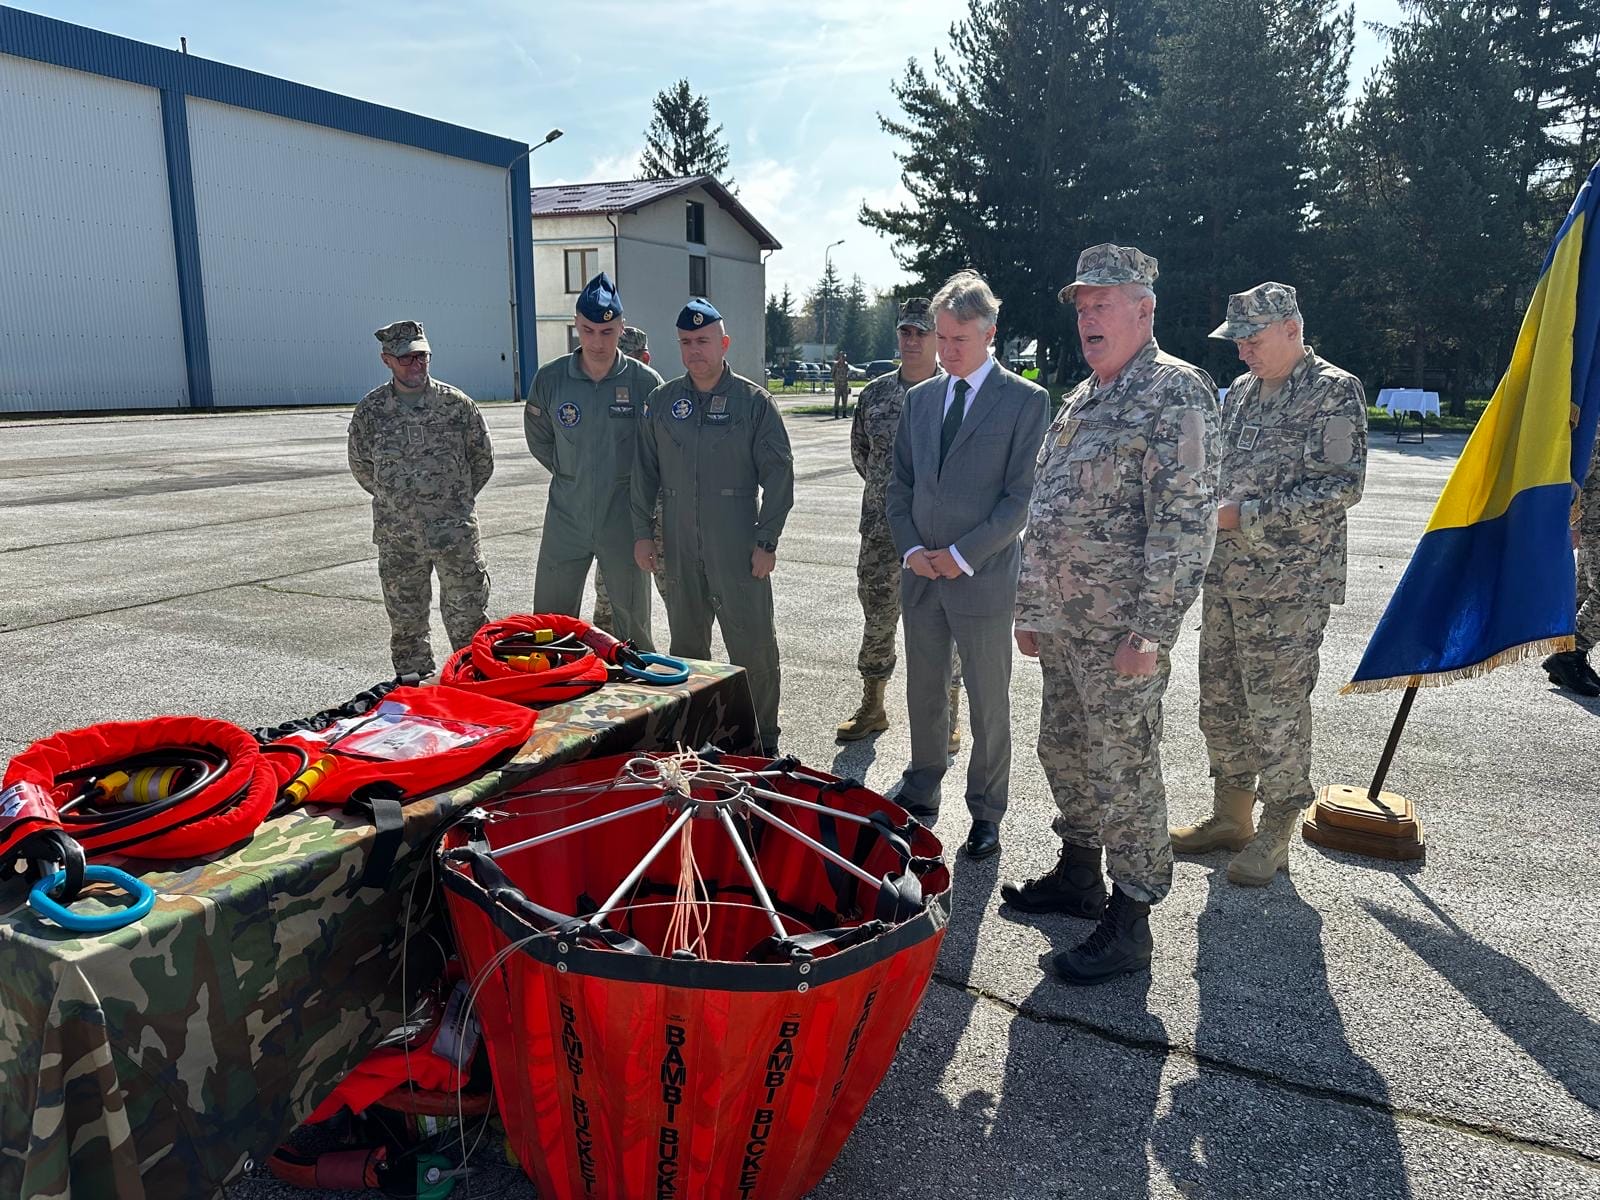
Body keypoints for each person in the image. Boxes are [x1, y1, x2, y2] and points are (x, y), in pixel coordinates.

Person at [1003, 244, 1220, 985]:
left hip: (1121, 632)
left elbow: (1185, 522)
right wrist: (1031, 608)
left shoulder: (1174, 392)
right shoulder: (1083, 398)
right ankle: (1078, 875)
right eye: (1082, 305)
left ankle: (1130, 921)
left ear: (1144, 309)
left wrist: (1152, 631)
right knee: (1063, 751)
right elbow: (1050, 510)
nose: (1089, 318)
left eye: (1104, 303)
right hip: (1065, 625)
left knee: (1125, 768)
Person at [1170, 282, 1368, 885]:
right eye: (1237, 343)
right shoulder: (1243, 394)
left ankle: (1279, 828)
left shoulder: (1333, 392)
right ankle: (1232, 817)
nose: (1244, 352)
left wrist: (1244, 514)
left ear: (1292, 329)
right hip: (1228, 576)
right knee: (1221, 702)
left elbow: (1342, 487)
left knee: (1275, 711)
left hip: (1290, 588)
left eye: (1253, 340)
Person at [885, 271, 1049, 860]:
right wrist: (912, 551)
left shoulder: (1024, 401)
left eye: (959, 339)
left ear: (990, 335)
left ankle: (986, 811)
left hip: (981, 577)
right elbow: (899, 484)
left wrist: (959, 556)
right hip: (921, 574)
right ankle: (924, 788)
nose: (947, 349)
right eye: (941, 337)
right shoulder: (921, 398)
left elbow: (1020, 498)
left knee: (987, 699)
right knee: (924, 690)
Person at [633, 298, 795, 754]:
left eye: (703, 341)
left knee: (754, 647)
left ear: (723, 343)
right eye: (686, 342)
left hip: (738, 543)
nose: (694, 350)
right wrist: (643, 534)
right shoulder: (662, 403)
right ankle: (696, 735)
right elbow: (644, 473)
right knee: (686, 647)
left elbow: (779, 475)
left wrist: (767, 540)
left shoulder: (753, 403)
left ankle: (763, 738)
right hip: (680, 546)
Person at [838, 298, 964, 754]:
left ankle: (949, 713)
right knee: (877, 618)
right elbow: (862, 455)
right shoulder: (874, 395)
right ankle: (873, 705)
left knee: (942, 623)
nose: (912, 341)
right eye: (905, 332)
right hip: (881, 533)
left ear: (938, 338)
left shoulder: (956, 394)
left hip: (935, 535)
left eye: (921, 333)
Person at [347, 319, 494, 677]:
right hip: (399, 537)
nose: (417, 365)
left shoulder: (456, 406)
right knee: (407, 621)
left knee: (469, 617)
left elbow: (482, 461)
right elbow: (362, 466)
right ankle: (414, 689)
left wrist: (450, 503)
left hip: (454, 535)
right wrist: (402, 504)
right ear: (387, 360)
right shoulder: (371, 412)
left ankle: (474, 684)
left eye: (422, 357)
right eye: (407, 359)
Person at [526, 274, 663, 649]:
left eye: (607, 331)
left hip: (624, 516)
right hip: (566, 513)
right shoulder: (552, 379)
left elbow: (657, 451)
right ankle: (553, 689)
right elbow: (539, 437)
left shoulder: (645, 383)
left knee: (633, 623)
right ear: (576, 326)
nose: (597, 342)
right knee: (549, 620)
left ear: (621, 327)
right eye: (589, 330)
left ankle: (639, 698)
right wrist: (573, 470)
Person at [591, 324, 660, 634]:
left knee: (674, 592)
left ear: (644, 357)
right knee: (607, 597)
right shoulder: (600, 395)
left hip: (656, 514)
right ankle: (608, 654)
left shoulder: (659, 394)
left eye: (628, 355)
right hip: (614, 512)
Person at [1543, 434, 1600, 695]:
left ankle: (1569, 658)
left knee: (1586, 591)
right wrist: (1574, 520)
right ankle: (1570, 654)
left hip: (1593, 518)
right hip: (1594, 517)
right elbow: (1579, 467)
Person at [833, 349, 851, 419]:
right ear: (839, 357)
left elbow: (847, 373)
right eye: (842, 357)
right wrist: (835, 382)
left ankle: (844, 414)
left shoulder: (846, 365)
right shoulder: (836, 365)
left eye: (844, 357)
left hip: (844, 385)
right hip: (838, 385)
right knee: (837, 400)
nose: (843, 358)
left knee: (845, 400)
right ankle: (836, 414)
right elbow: (833, 374)